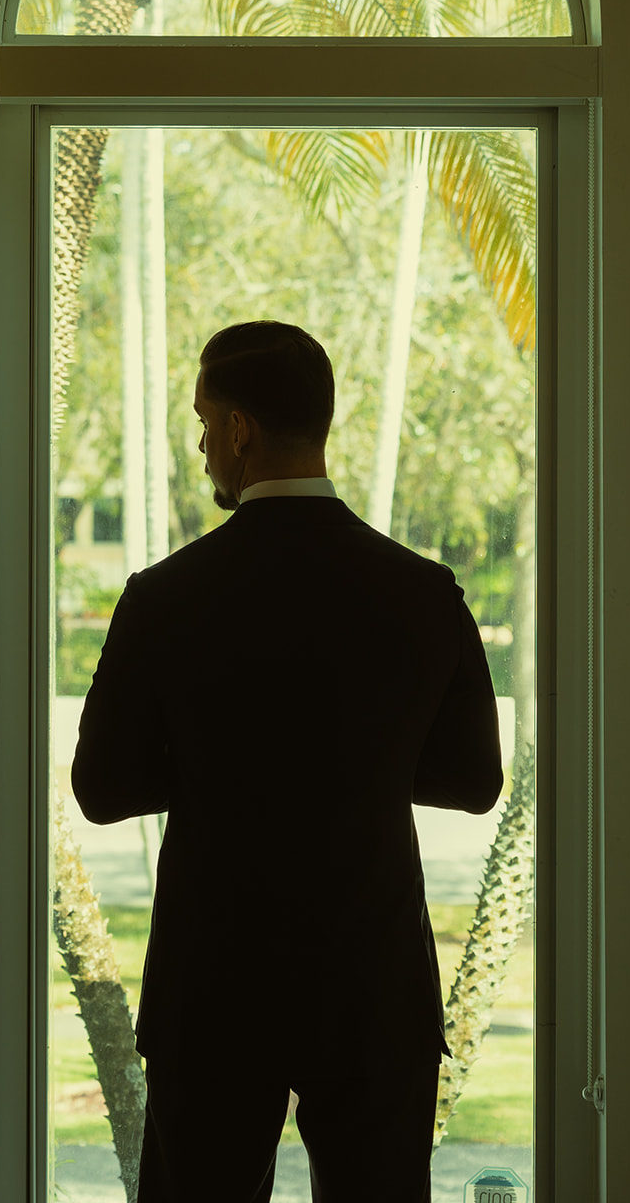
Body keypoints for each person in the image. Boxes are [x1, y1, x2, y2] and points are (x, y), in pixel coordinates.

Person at [72, 320, 503, 1203]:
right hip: (373, 982)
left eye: (202, 425)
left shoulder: (164, 598)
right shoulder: (422, 592)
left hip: (213, 982)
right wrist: (361, 764)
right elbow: (473, 781)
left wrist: (215, 764)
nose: (200, 450)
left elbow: (102, 788)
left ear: (240, 430)